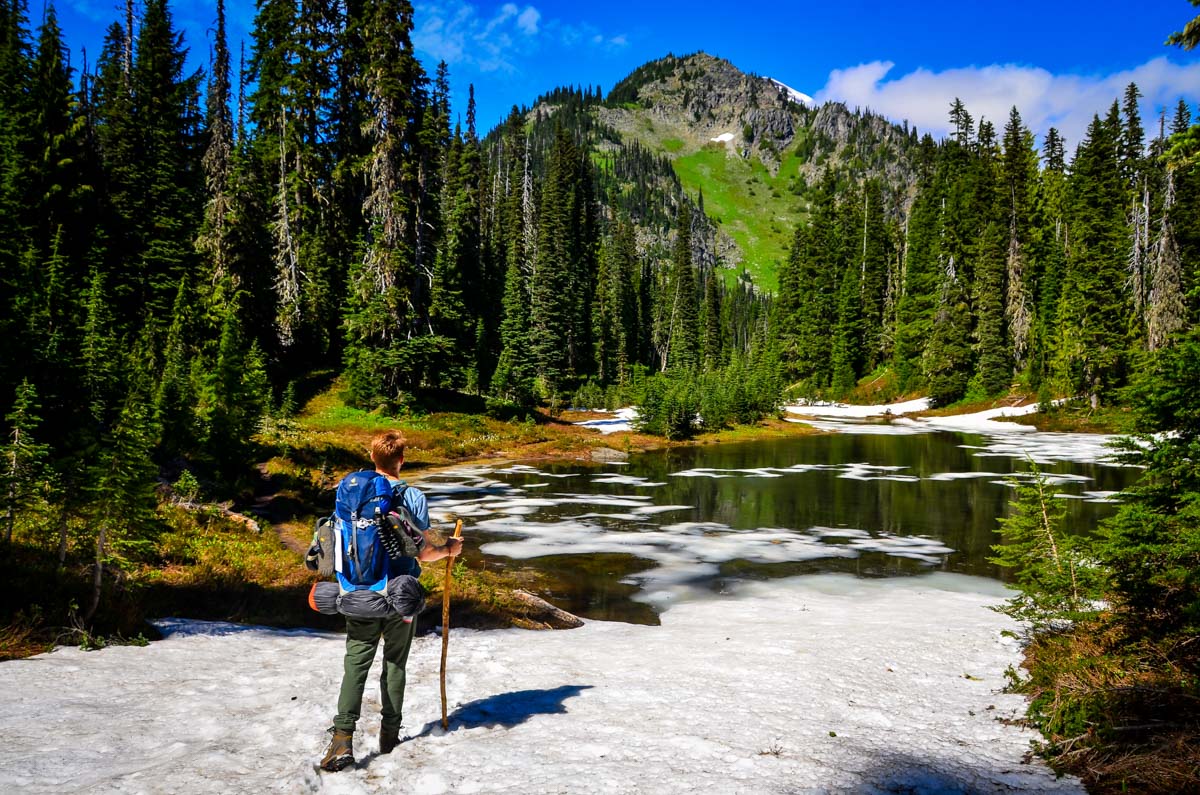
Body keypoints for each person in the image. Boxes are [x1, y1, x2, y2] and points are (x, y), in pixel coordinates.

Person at [320, 430, 463, 772]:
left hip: (357, 593)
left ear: (373, 458)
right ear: (402, 459)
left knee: (356, 664)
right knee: (395, 663)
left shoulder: (352, 494)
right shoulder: (411, 496)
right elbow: (423, 551)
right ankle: (390, 734)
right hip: (400, 597)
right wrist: (448, 551)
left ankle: (342, 738)